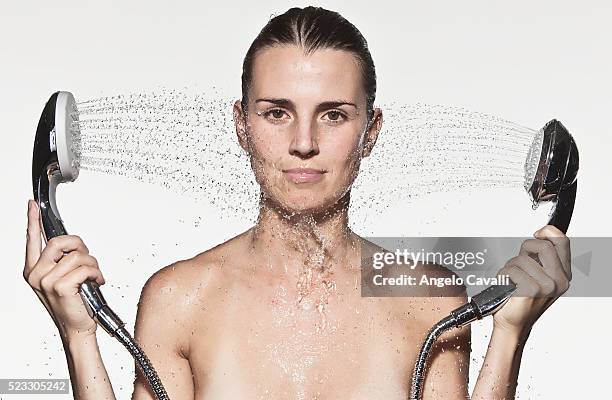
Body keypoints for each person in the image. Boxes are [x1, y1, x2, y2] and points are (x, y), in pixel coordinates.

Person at [23, 6, 572, 399]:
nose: (304, 142)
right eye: (276, 112)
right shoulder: (181, 298)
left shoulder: (427, 299)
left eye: (333, 113)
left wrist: (508, 332)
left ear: (370, 129)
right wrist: (79, 337)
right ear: (241, 125)